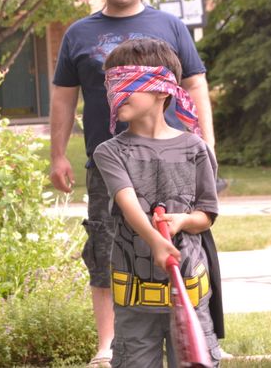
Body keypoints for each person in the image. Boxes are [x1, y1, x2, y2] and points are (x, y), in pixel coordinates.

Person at [49, 0, 215, 367]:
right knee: (108, 246)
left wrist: (207, 143)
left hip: (172, 159)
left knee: (187, 245)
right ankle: (110, 343)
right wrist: (58, 155)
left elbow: (195, 84)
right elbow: (64, 97)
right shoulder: (78, 34)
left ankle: (193, 332)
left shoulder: (170, 26)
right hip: (108, 160)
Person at [92, 37, 221, 367]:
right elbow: (128, 203)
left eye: (126, 83)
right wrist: (155, 240)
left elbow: (206, 214)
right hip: (135, 299)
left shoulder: (196, 149)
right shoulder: (110, 152)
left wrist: (183, 221)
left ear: (163, 90)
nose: (115, 93)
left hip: (190, 291)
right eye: (111, 85)